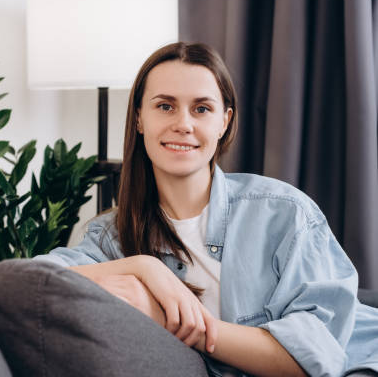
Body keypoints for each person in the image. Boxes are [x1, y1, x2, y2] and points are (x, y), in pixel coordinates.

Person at [34, 42, 378, 376]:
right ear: (139, 118)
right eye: (165, 106)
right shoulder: (110, 238)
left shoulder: (284, 213)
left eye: (201, 109)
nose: (183, 123)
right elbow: (28, 282)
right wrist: (145, 267)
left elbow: (311, 360)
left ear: (224, 122)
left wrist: (178, 320)